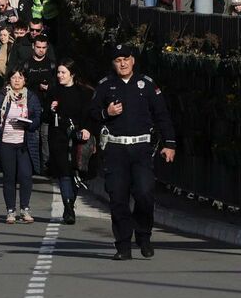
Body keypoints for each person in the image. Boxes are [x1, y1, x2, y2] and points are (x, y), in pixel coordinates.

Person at [88, 44, 176, 260]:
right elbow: (91, 114)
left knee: (144, 193)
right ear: (113, 63)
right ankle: (123, 245)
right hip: (116, 148)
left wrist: (170, 144)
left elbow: (162, 114)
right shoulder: (105, 85)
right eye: (118, 60)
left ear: (133, 60)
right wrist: (105, 112)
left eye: (126, 59)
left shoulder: (146, 85)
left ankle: (143, 236)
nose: (123, 63)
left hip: (141, 148)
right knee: (118, 198)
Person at [0, 68, 43, 224]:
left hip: (24, 143)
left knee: (25, 176)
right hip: (6, 141)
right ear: (9, 80)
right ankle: (10, 211)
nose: (17, 80)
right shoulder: (3, 95)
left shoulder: (31, 97)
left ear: (25, 80)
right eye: (13, 77)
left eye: (20, 77)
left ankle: (25, 209)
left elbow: (38, 116)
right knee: (9, 177)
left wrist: (30, 124)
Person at [49, 59, 93, 225]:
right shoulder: (54, 91)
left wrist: (87, 129)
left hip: (78, 135)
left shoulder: (84, 92)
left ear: (72, 74)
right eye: (58, 72)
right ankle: (68, 208)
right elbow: (46, 116)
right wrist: (51, 108)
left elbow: (90, 114)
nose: (60, 76)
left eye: (63, 73)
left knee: (76, 170)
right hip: (58, 135)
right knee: (64, 171)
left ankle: (71, 202)